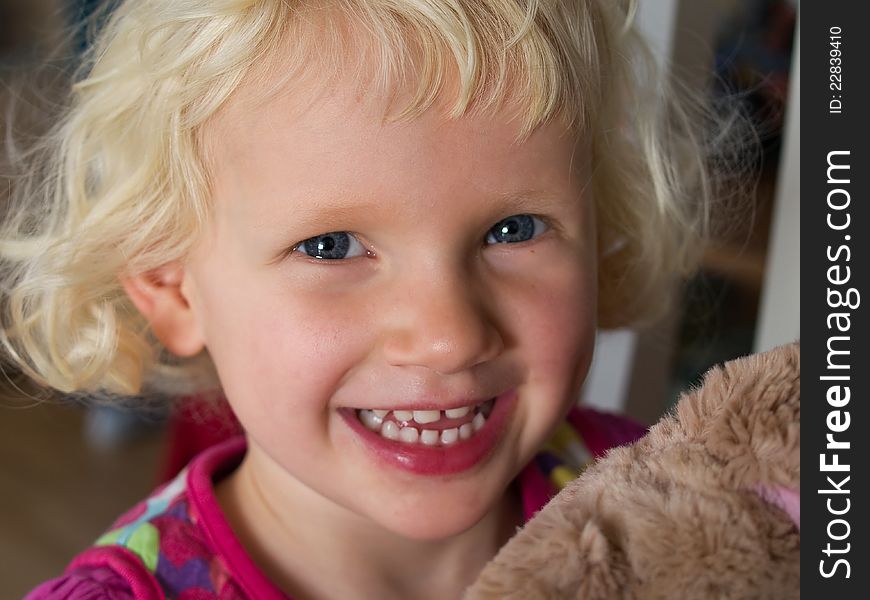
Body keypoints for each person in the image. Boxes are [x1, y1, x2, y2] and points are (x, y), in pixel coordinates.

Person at [1, 0, 727, 598]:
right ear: (172, 289)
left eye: (514, 229)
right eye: (331, 246)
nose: (448, 336)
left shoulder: (662, 496)